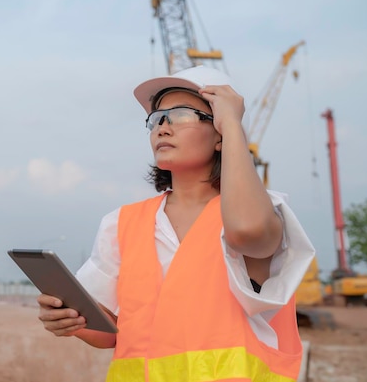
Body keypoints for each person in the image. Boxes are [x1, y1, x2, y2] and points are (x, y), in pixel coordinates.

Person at [37, 65, 316, 381]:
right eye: (157, 119)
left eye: (181, 115)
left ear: (222, 131)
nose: (163, 128)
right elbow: (111, 335)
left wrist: (234, 130)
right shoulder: (122, 223)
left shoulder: (260, 214)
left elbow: (248, 233)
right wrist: (72, 320)